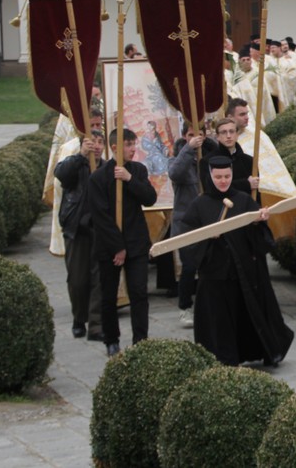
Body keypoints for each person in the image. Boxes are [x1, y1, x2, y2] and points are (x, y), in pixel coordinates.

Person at [180, 156, 294, 366]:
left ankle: (250, 353)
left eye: (227, 176)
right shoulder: (199, 205)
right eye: (218, 177)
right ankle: (222, 359)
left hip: (241, 274)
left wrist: (260, 222)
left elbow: (259, 240)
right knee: (218, 321)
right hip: (213, 276)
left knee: (245, 317)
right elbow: (187, 240)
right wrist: (207, 237)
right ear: (210, 176)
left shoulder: (243, 200)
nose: (223, 181)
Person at [90, 128, 158, 356]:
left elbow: (150, 199)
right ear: (116, 147)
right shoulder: (99, 177)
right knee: (109, 295)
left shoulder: (137, 170)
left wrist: (129, 180)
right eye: (129, 145)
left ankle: (141, 340)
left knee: (139, 292)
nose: (133, 150)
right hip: (110, 248)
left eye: (134, 145)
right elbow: (100, 217)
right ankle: (111, 338)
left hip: (137, 243)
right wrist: (117, 247)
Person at [54, 130, 105, 341]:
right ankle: (78, 318)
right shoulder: (76, 165)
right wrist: (81, 155)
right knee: (77, 280)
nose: (98, 146)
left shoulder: (106, 168)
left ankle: (96, 325)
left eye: (101, 142)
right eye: (93, 142)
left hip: (99, 231)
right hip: (77, 230)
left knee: (99, 279)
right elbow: (61, 174)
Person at [168, 121, 218, 328]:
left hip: (208, 220)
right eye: (190, 135)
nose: (195, 138)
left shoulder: (209, 156)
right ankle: (184, 307)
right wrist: (189, 149)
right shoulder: (177, 157)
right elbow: (175, 174)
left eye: (199, 135)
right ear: (184, 136)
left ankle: (208, 306)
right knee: (189, 267)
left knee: (210, 266)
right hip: (186, 222)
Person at [202, 118, 258, 197]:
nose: (228, 136)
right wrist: (246, 184)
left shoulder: (249, 161)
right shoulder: (207, 161)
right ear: (217, 136)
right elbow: (211, 189)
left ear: (237, 135)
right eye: (224, 132)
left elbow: (256, 193)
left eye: (231, 131)